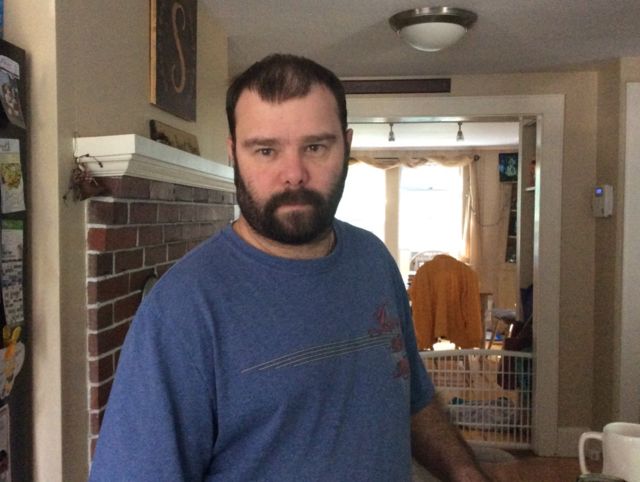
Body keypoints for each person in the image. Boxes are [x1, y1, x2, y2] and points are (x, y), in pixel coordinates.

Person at [89, 54, 489, 481]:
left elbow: (412, 398)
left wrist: (467, 472)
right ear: (233, 155)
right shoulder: (180, 312)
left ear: (346, 146)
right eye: (266, 150)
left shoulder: (373, 259)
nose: (294, 174)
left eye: (315, 147)